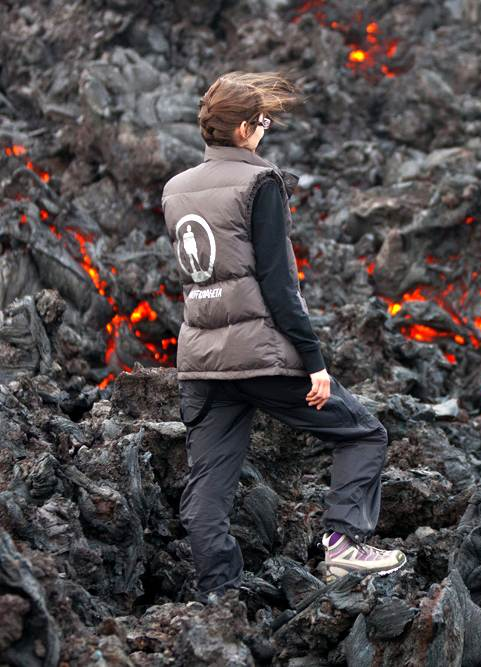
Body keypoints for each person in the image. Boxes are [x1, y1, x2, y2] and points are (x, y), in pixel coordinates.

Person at [161, 71, 406, 603]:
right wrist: (314, 361)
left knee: (209, 486)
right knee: (363, 434)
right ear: (246, 128)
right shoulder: (260, 182)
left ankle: (217, 601)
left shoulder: (175, 189)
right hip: (263, 357)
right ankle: (346, 542)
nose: (266, 131)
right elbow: (277, 281)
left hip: (201, 363)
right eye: (264, 122)